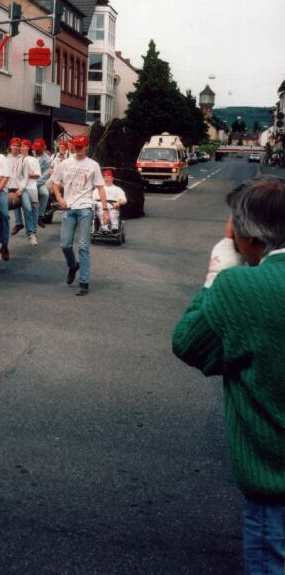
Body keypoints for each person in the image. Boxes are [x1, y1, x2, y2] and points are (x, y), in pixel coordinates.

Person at [172, 176, 285, 575]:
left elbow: (189, 342)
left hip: (275, 482)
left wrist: (222, 262)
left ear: (248, 235)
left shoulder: (243, 287)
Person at [51, 134, 108, 296]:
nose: (78, 149)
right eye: (75, 146)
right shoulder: (65, 163)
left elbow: (101, 188)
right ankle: (72, 266)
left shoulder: (93, 165)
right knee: (65, 244)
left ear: (87, 147)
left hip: (85, 208)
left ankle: (84, 282)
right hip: (69, 207)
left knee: (83, 246)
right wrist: (59, 197)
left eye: (80, 146)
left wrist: (104, 210)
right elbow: (55, 182)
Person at [19, 139, 41, 246]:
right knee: (27, 209)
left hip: (32, 187)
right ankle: (30, 232)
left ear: (28, 147)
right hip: (22, 188)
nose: (22, 148)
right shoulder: (18, 159)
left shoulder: (33, 159)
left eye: (24, 146)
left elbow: (37, 174)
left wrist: (26, 175)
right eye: (21, 146)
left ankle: (33, 230)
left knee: (35, 209)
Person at [7, 136, 26, 236]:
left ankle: (31, 230)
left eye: (18, 146)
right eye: (14, 145)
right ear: (10, 146)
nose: (15, 147)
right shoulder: (6, 158)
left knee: (26, 207)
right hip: (9, 185)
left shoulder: (23, 159)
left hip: (20, 186)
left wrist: (22, 187)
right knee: (13, 204)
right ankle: (18, 223)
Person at [32, 138, 51, 228]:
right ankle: (18, 222)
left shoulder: (47, 159)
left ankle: (40, 216)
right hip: (27, 180)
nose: (37, 149)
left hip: (39, 182)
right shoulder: (30, 154)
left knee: (45, 194)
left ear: (44, 148)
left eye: (39, 148)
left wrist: (36, 184)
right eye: (36, 147)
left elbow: (46, 174)